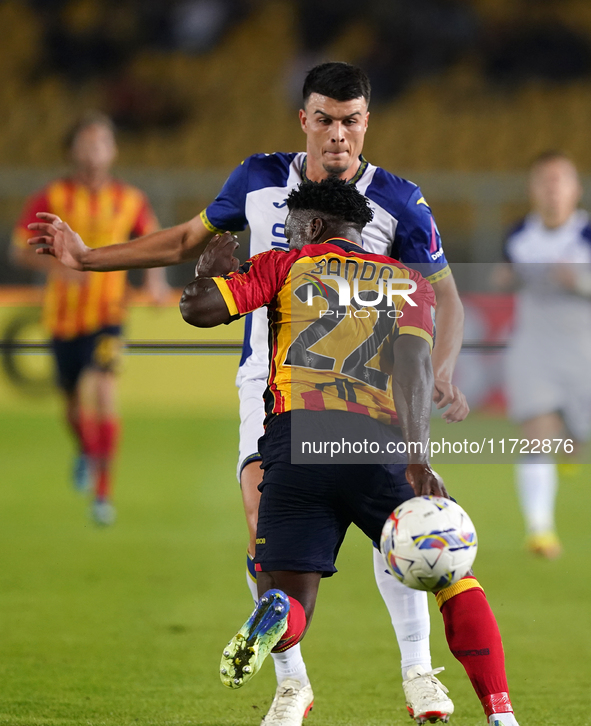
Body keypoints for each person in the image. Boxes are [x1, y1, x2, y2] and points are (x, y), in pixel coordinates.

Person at [28, 63, 469, 724]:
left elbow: (446, 294)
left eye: (350, 121)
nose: (337, 135)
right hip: (267, 382)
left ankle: (417, 672)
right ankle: (292, 685)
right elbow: (184, 240)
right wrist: (88, 259)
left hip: (365, 394)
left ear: (366, 123)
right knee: (264, 530)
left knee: (398, 531)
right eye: (324, 119)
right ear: (304, 120)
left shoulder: (399, 201)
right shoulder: (258, 179)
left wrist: (441, 366)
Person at [179, 177, 520, 726]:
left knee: (291, 599)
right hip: (377, 443)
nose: (285, 238)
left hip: (294, 445)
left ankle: (275, 616)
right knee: (452, 572)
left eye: (290, 230)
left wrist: (207, 273)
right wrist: (418, 460)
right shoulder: (406, 280)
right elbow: (413, 367)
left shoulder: (283, 267)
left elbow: (198, 311)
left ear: (312, 227)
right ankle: (500, 713)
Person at [12, 112, 168, 525]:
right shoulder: (52, 196)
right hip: (62, 318)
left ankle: (103, 494)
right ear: (72, 150)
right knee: (70, 400)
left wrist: (155, 283)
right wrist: (57, 269)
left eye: (102, 141)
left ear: (113, 150)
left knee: (103, 391)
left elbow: (153, 242)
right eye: (87, 141)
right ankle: (84, 450)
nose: (94, 149)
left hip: (108, 315)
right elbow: (18, 248)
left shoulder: (130, 199)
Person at [500, 151, 591, 559]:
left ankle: (572, 446)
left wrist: (581, 282)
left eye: (560, 180)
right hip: (535, 347)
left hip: (583, 349)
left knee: (576, 441)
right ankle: (540, 530)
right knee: (536, 431)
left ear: (576, 188)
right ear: (533, 189)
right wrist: (503, 279)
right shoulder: (518, 236)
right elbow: (503, 277)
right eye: (544, 181)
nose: (553, 189)